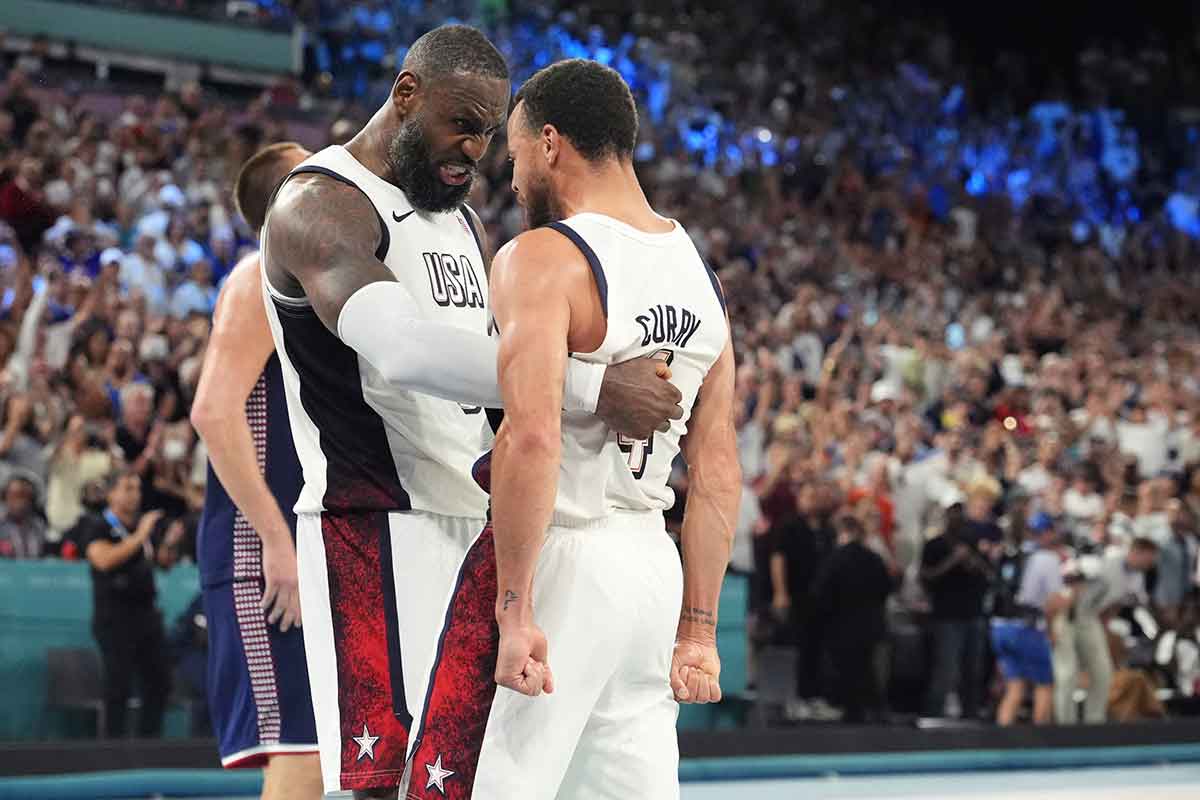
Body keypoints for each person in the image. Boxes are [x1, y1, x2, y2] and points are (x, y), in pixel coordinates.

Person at [260, 27, 680, 798]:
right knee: (378, 783)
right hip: (374, 528)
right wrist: (590, 386)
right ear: (406, 93)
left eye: (490, 132)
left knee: (463, 778)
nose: (475, 149)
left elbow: (497, 387)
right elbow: (404, 351)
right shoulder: (320, 204)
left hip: (473, 523)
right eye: (462, 122)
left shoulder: (459, 219)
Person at [407, 58, 739, 800]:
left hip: (565, 563)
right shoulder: (703, 282)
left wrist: (515, 609)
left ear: (551, 143)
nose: (516, 178)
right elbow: (716, 472)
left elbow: (530, 438)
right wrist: (699, 630)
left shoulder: (543, 257)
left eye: (519, 153)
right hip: (653, 571)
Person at [190, 142, 323, 796]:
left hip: (306, 538)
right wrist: (277, 543)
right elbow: (213, 414)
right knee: (303, 755)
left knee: (337, 754)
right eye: (318, 170)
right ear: (291, 198)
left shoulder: (313, 284)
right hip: (264, 546)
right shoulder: (257, 276)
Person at [75, 470, 171, 737]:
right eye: (127, 488)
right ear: (111, 493)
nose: (134, 495)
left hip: (147, 615)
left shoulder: (143, 526)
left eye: (137, 489)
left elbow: (163, 563)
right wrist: (140, 536)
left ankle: (149, 746)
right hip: (114, 617)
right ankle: (112, 751)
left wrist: (170, 544)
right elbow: (103, 560)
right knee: (118, 685)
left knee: (159, 683)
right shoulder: (97, 525)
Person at [1052, 537, 1158, 724]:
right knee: (1067, 674)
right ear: (1137, 552)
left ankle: (1095, 722)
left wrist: (1104, 629)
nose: (1150, 563)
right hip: (1068, 614)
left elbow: (1116, 603)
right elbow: (1071, 579)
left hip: (1091, 618)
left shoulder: (1136, 576)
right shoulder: (1107, 562)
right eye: (1149, 558)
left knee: (1103, 672)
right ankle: (1064, 724)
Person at [811, 514, 895, 724]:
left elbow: (821, 593)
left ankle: (853, 712)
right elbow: (887, 588)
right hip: (871, 624)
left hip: (841, 626)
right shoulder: (874, 558)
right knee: (867, 668)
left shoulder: (834, 559)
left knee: (846, 670)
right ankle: (875, 709)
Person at [920, 501, 991, 720]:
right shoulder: (935, 545)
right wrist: (951, 562)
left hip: (973, 613)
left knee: (972, 669)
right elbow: (926, 577)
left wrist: (972, 560)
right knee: (946, 669)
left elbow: (989, 576)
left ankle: (970, 713)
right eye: (953, 518)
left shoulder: (973, 544)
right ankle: (933, 713)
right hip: (947, 615)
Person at [990, 513, 1062, 726]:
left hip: (999, 627)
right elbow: (1053, 602)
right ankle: (1041, 743)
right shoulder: (1047, 559)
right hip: (1026, 629)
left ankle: (1002, 740)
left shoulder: (1008, 554)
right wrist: (1050, 630)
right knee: (1044, 684)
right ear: (1047, 533)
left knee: (1015, 686)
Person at [0, 473, 47, 558]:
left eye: (24, 496)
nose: (19, 501)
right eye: (15, 495)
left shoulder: (39, 526)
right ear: (5, 497)